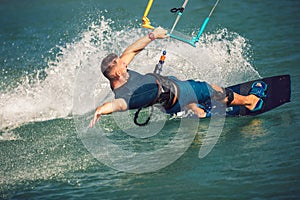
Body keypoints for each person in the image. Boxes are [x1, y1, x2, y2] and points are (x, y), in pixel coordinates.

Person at [89, 27, 266, 128]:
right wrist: (100, 110)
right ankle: (250, 101)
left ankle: (199, 112)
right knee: (211, 90)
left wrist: (152, 36)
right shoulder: (127, 96)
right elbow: (117, 104)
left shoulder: (117, 79)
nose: (125, 62)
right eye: (122, 64)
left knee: (174, 80)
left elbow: (131, 51)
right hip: (180, 93)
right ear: (118, 72)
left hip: (167, 98)